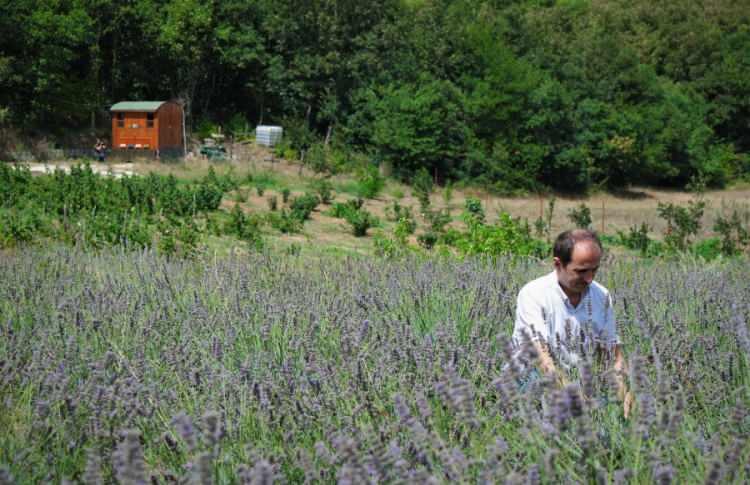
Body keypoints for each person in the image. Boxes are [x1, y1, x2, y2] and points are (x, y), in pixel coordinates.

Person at [512, 229, 633, 416]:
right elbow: (540, 357)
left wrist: (622, 397)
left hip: (579, 381)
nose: (590, 278)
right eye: (581, 271)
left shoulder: (601, 296)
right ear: (558, 264)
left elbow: (612, 356)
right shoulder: (534, 294)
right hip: (534, 380)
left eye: (595, 270)